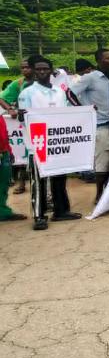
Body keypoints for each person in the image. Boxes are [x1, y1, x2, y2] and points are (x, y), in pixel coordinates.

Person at [18, 56, 82, 230]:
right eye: (38, 69)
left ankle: (61, 211)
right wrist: (22, 115)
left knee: (59, 177)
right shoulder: (27, 93)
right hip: (38, 143)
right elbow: (24, 120)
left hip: (57, 143)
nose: (41, 72)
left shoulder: (59, 92)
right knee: (38, 181)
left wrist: (86, 113)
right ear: (33, 71)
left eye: (45, 69)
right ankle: (39, 215)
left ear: (50, 71)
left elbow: (67, 113)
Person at [71, 49, 109, 203]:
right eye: (108, 58)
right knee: (102, 161)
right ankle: (99, 195)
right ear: (99, 61)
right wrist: (83, 109)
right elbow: (70, 93)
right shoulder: (90, 78)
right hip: (99, 125)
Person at [0, 59, 35, 195]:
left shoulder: (44, 83)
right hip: (24, 123)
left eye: (27, 67)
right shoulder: (19, 83)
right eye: (22, 68)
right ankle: (21, 183)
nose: (25, 70)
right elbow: (2, 98)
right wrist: (10, 109)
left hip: (41, 123)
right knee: (23, 152)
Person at [0, 114, 27, 222]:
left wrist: (9, 151)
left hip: (4, 152)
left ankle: (3, 212)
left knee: (3, 184)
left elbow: (5, 134)